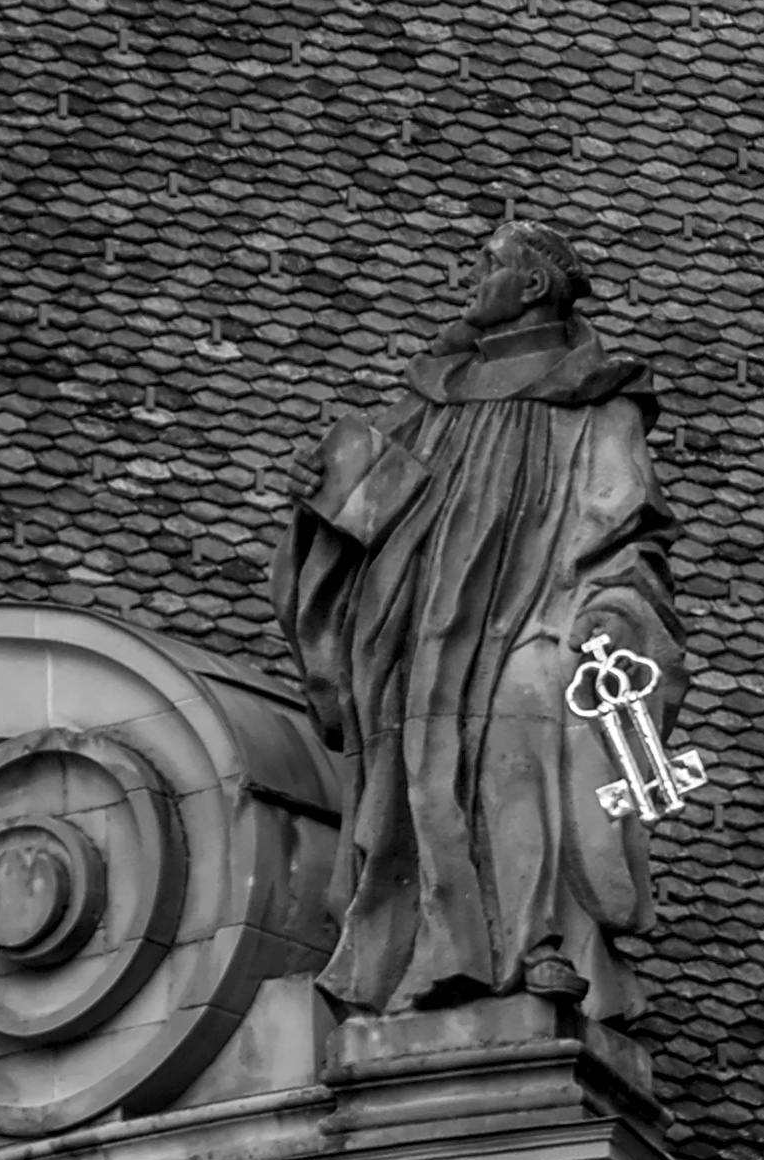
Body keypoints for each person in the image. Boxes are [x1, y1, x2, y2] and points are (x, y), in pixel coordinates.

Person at [276, 210, 689, 1025]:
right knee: (422, 751)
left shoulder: (597, 408)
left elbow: (624, 545)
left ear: (532, 284)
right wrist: (323, 501)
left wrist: (611, 620)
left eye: (487, 265)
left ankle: (539, 945)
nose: (470, 282)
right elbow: (373, 513)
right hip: (413, 636)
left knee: (530, 708)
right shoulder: (433, 403)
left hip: (537, 620)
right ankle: (435, 949)